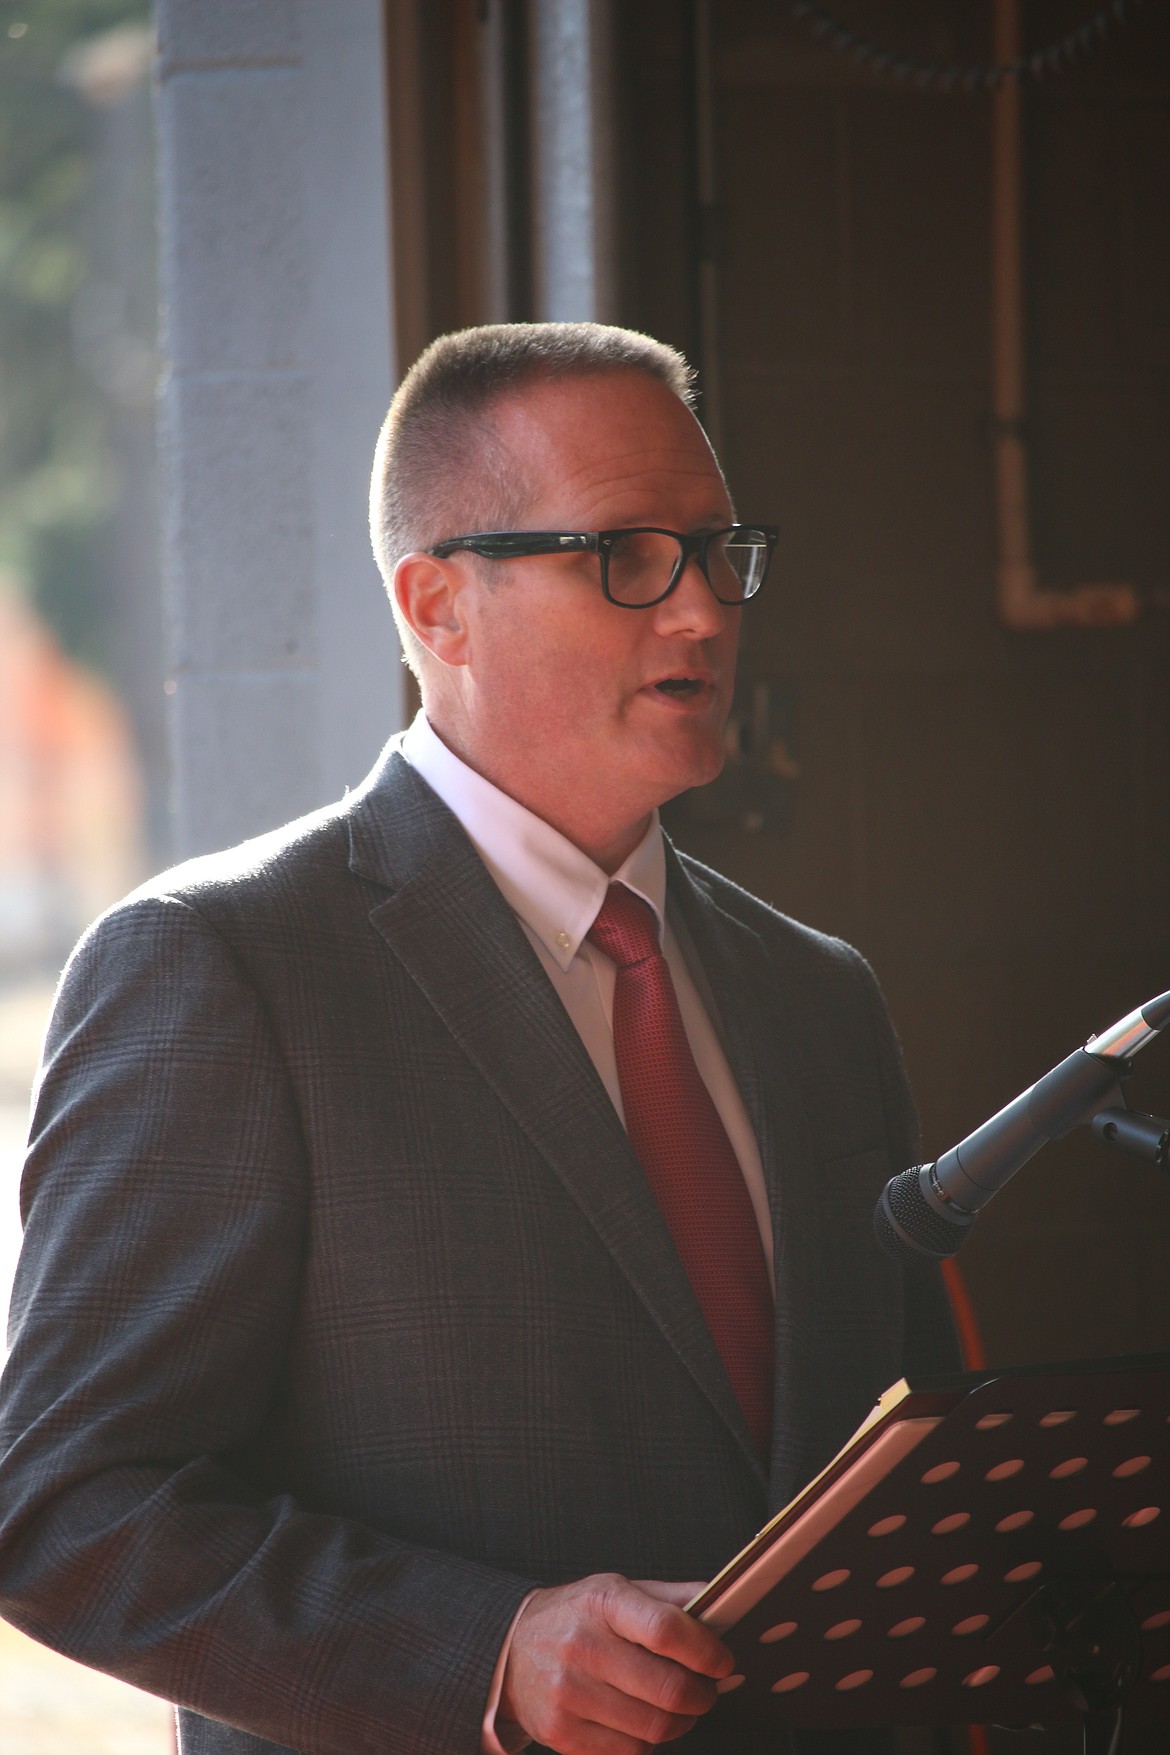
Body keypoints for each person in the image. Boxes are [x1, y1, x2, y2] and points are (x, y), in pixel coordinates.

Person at [0, 323, 954, 1755]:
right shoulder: (221, 967)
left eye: (716, 550)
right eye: (627, 556)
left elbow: (902, 1455)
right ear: (436, 604)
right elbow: (64, 1509)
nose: (699, 613)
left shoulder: (818, 996)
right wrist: (486, 1653)